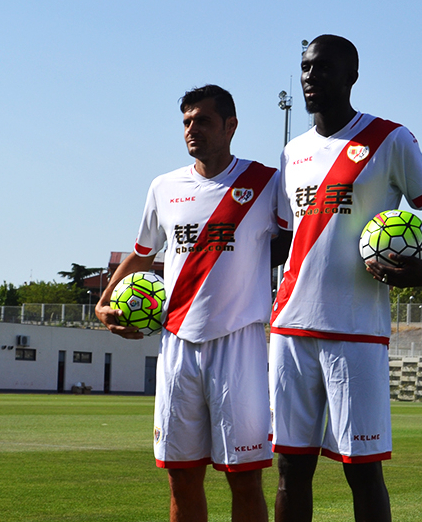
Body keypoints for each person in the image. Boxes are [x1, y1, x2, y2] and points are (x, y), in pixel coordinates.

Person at [269, 35, 422, 522]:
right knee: (290, 467)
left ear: (352, 76)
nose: (311, 77)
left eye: (324, 68)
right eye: (306, 68)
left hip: (356, 330)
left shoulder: (389, 139)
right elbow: (284, 242)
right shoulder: (292, 153)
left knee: (363, 470)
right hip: (289, 327)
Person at [96, 84, 291, 522]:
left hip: (237, 344)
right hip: (177, 344)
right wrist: (103, 302)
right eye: (186, 122)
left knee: (244, 478)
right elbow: (142, 252)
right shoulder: (164, 187)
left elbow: (293, 242)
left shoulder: (264, 183)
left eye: (202, 120)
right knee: (180, 477)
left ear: (230, 126)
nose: (192, 130)